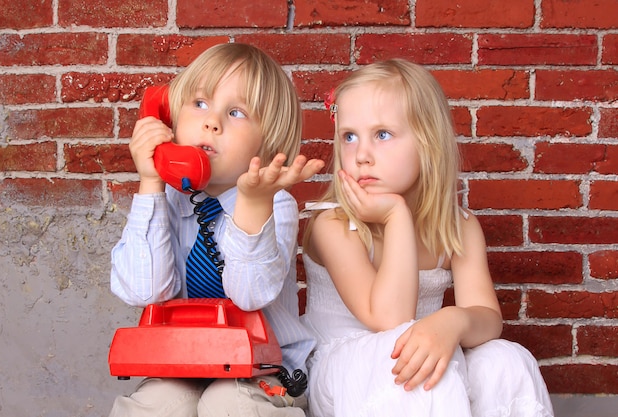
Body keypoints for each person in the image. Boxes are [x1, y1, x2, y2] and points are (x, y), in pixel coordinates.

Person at [300, 59, 554, 416]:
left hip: (417, 352)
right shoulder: (333, 223)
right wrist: (395, 217)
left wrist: (454, 320)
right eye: (349, 136)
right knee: (411, 364)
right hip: (343, 371)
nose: (362, 155)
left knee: (505, 358)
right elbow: (390, 318)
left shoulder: (459, 225)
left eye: (382, 134)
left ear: (427, 142)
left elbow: (488, 318)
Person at [109, 43, 325, 417]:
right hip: (182, 359)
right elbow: (142, 290)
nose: (212, 122)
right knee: (156, 405)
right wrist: (151, 182)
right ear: (170, 118)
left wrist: (253, 205)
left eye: (236, 112)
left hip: (265, 368)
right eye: (199, 103)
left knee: (229, 403)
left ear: (268, 142)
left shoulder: (275, 205)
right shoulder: (168, 202)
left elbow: (248, 295)